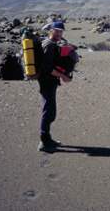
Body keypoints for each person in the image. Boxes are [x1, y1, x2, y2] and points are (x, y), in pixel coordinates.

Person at [37, 21, 71, 153]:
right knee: (48, 111)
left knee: (50, 110)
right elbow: (46, 68)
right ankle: (44, 143)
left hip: (50, 81)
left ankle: (47, 139)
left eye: (61, 31)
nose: (59, 33)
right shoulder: (49, 45)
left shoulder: (52, 44)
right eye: (56, 31)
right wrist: (63, 76)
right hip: (47, 81)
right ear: (51, 31)